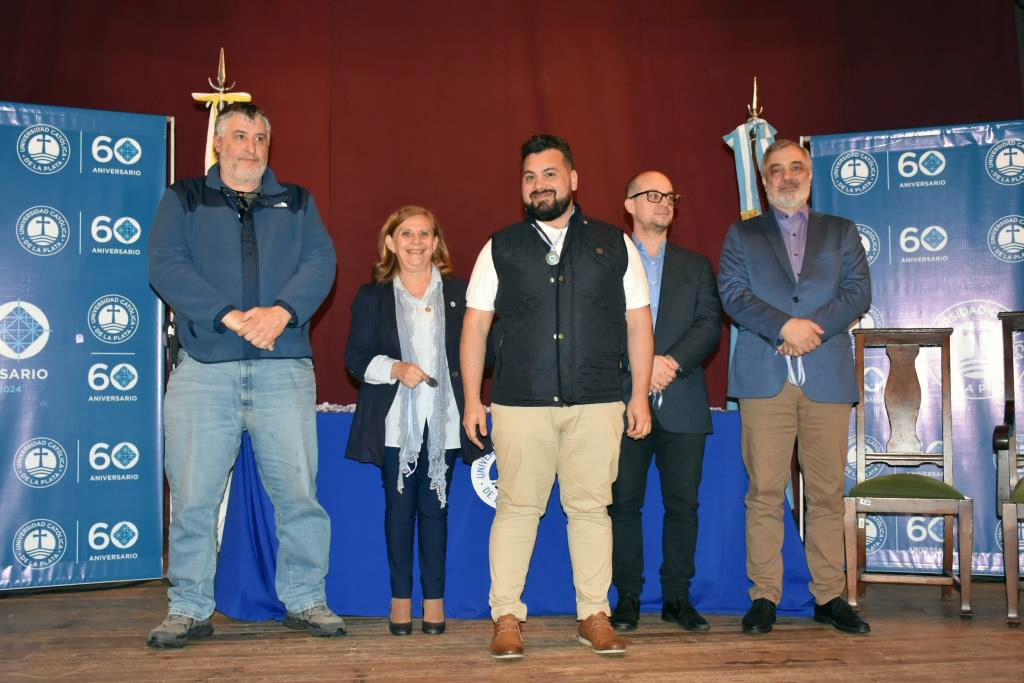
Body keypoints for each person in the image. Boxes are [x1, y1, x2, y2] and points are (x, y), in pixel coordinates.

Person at [146, 102, 342, 647]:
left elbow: (321, 262)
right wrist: (228, 316)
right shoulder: (183, 198)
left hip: (283, 373)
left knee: (300, 496)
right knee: (192, 498)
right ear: (218, 144)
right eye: (238, 136)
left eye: (259, 137)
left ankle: (305, 599)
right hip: (204, 373)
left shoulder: (298, 202)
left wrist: (282, 311)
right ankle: (187, 607)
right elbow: (165, 265)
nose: (249, 147)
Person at [461, 134, 654, 659]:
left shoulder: (615, 244)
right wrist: (473, 400)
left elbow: (639, 323)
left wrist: (637, 394)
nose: (539, 185)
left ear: (573, 179)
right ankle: (506, 617)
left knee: (592, 509)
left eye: (549, 174)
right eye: (529, 177)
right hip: (519, 403)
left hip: (597, 401)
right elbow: (475, 327)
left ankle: (594, 612)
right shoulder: (499, 246)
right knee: (517, 509)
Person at [717, 139, 872, 635]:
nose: (787, 177)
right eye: (776, 170)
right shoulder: (742, 235)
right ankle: (764, 595)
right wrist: (784, 327)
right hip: (765, 377)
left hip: (826, 377)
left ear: (809, 176)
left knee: (826, 494)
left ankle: (829, 595)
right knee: (764, 491)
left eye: (796, 168)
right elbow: (733, 294)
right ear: (763, 182)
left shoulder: (842, 232)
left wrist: (812, 330)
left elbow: (858, 292)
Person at [344, 205, 484, 636]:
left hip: (445, 423)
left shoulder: (462, 294)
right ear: (391, 243)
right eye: (407, 235)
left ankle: (435, 601)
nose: (417, 243)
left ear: (436, 243)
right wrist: (394, 368)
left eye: (425, 234)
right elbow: (355, 358)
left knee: (436, 513)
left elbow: (486, 351)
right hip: (394, 426)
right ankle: (400, 599)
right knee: (398, 513)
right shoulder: (372, 297)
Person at [608, 171, 721, 633]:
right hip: (619, 400)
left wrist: (669, 362)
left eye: (670, 196)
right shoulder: (606, 260)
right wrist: (641, 365)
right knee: (623, 504)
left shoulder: (695, 266)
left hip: (684, 397)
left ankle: (677, 596)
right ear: (629, 204)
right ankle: (628, 597)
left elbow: (710, 323)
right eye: (651, 195)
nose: (663, 203)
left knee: (683, 506)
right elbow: (593, 324)